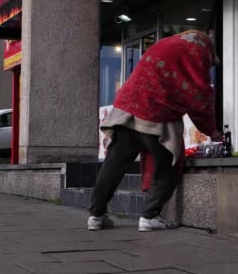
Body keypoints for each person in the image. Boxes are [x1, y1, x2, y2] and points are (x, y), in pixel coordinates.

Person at [88, 30, 221, 232]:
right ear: (209, 49)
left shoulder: (167, 44)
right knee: (168, 165)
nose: (208, 67)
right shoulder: (198, 52)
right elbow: (198, 96)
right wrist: (211, 130)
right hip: (155, 113)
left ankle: (96, 216)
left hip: (125, 110)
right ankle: (150, 216)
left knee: (114, 165)